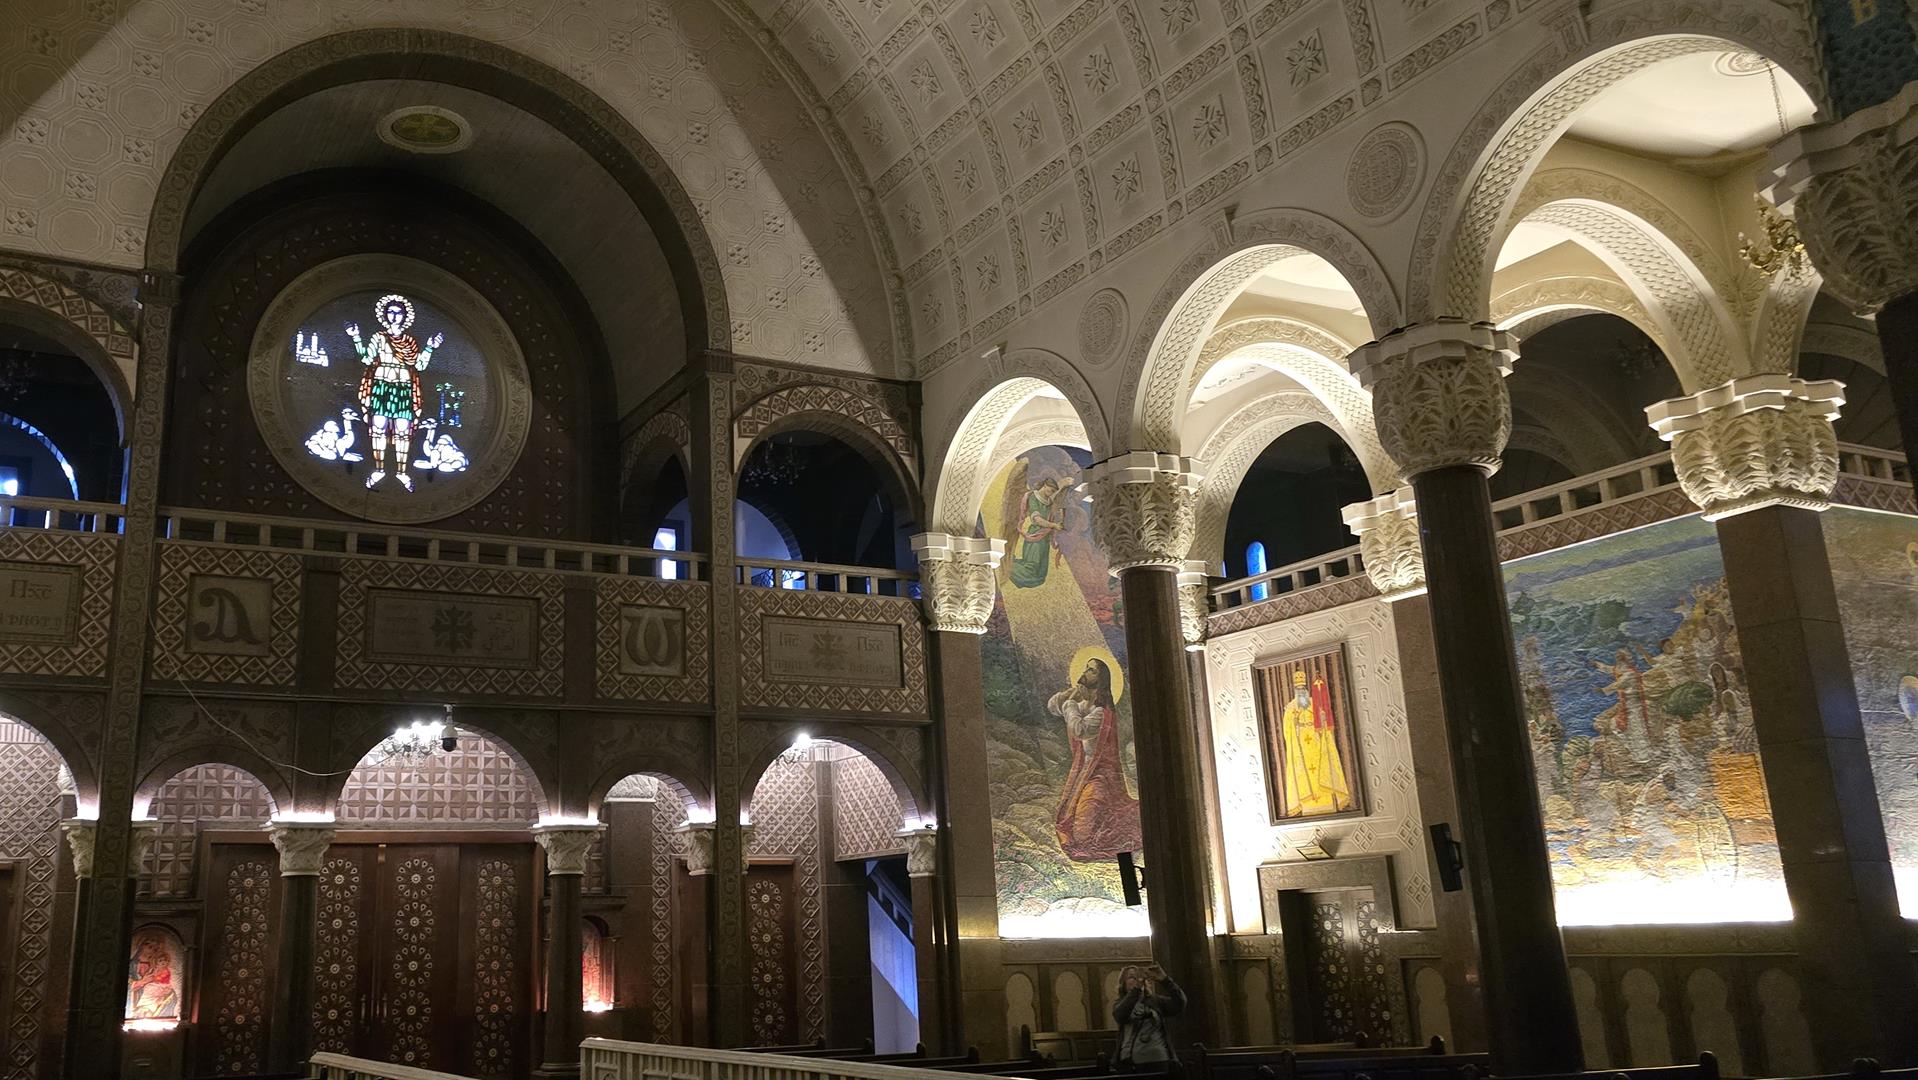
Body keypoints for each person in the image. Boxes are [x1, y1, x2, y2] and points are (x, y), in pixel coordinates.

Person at [1114, 963, 1184, 1070]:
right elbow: (1120, 1015)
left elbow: (1180, 1003)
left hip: (1159, 1059)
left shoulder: (1155, 1001)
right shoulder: (1120, 1003)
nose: (1137, 979)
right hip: (1131, 1062)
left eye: (1139, 976)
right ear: (1123, 983)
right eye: (1132, 977)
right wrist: (1137, 989)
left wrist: (1165, 980)